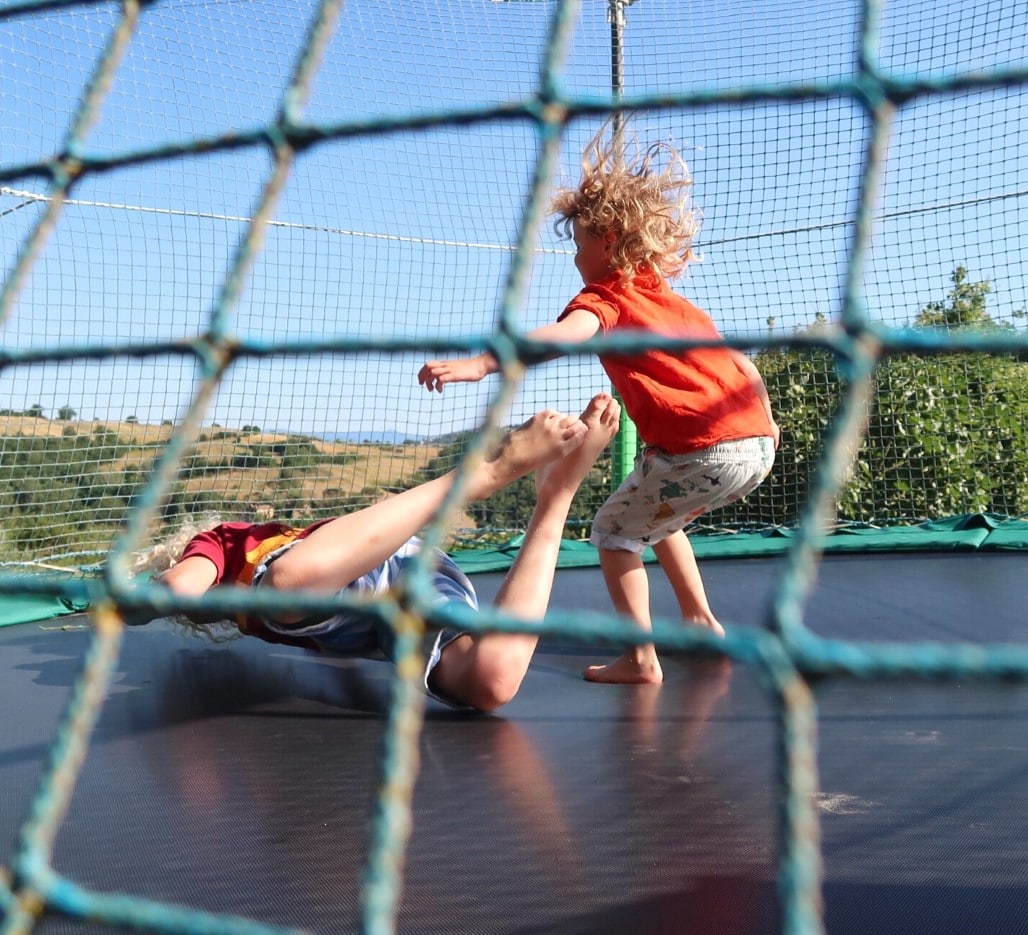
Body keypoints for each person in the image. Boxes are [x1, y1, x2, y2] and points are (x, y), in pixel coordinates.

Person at [417, 122, 780, 686]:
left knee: (612, 532)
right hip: (754, 447)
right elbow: (744, 364)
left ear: (607, 239)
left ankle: (641, 657)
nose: (576, 256)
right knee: (656, 515)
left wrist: (484, 364)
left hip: (701, 450)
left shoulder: (606, 296)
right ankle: (701, 623)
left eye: (580, 242)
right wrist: (769, 424)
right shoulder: (675, 303)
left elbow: (564, 337)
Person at [131, 394, 621, 713]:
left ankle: (485, 475)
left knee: (281, 587)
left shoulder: (222, 541)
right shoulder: (260, 619)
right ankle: (557, 497)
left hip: (376, 563)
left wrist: (132, 601)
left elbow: (179, 586)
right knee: (491, 683)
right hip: (390, 607)